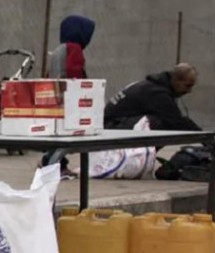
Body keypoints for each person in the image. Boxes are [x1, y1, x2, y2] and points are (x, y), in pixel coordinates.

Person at [43, 14, 97, 177]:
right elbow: (74, 73)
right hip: (68, 98)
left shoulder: (60, 49)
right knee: (65, 136)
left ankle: (52, 163)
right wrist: (83, 92)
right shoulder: (75, 48)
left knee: (57, 134)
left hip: (55, 96)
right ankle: (54, 165)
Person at [105, 64, 201, 131]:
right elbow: (178, 122)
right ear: (175, 80)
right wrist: (207, 140)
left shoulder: (151, 86)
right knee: (163, 124)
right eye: (187, 86)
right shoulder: (157, 93)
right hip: (112, 127)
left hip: (114, 124)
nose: (189, 91)